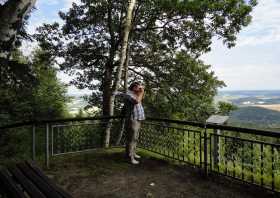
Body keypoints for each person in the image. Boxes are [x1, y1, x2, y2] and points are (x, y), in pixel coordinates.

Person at [113, 82, 145, 164]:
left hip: (138, 118)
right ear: (133, 87)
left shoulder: (136, 94)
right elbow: (137, 101)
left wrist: (140, 93)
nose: (139, 89)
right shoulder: (129, 94)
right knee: (131, 139)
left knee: (135, 138)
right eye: (138, 87)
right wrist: (141, 92)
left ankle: (133, 153)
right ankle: (130, 158)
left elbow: (139, 99)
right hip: (132, 119)